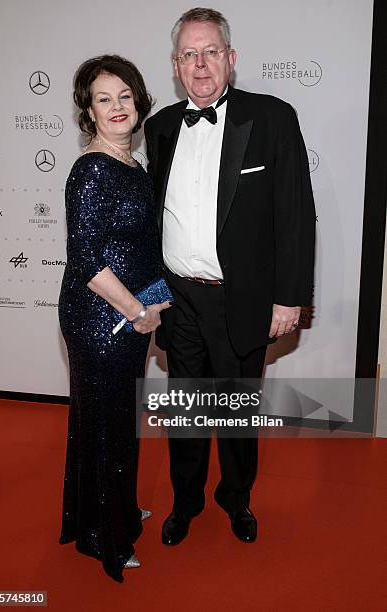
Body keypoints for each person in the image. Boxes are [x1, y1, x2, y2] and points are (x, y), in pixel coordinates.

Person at [144, 8, 315, 546]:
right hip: (179, 298)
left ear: (231, 59)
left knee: (238, 415)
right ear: (175, 65)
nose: (200, 64)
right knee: (186, 412)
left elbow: (295, 214)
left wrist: (289, 300)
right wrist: (152, 296)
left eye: (211, 51)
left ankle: (236, 500)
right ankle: (186, 501)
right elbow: (151, 221)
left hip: (241, 300)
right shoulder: (160, 127)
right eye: (189, 54)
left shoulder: (272, 118)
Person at [58, 54, 170, 583]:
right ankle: (103, 535)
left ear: (139, 101)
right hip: (100, 318)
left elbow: (143, 247)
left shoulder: (134, 165)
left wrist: (153, 303)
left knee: (116, 420)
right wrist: (138, 311)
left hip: (131, 314)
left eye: (125, 95)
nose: (117, 106)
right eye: (104, 98)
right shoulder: (91, 170)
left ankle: (113, 506)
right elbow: (86, 259)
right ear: (89, 112)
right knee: (106, 425)